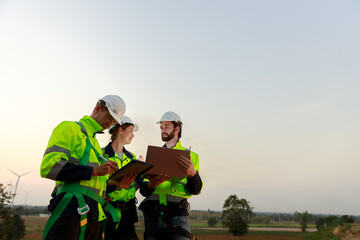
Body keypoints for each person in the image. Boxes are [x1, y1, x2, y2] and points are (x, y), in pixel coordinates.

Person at [40, 95, 126, 240]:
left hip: (95, 216)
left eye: (113, 121)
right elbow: (49, 167)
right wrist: (94, 171)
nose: (110, 123)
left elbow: (92, 185)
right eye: (109, 117)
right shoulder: (69, 128)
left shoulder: (97, 147)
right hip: (71, 213)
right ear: (97, 108)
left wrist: (115, 184)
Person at [139, 111, 203, 240]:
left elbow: (196, 189)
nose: (163, 130)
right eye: (161, 127)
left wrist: (192, 174)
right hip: (153, 216)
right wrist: (151, 184)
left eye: (166, 126)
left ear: (177, 128)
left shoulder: (191, 156)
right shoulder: (153, 156)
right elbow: (144, 191)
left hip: (177, 216)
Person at [103, 116, 144, 240]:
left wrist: (142, 173)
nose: (133, 135)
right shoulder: (100, 155)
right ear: (120, 130)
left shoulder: (132, 158)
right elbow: (96, 185)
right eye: (131, 130)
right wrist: (114, 184)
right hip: (106, 215)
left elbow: (134, 185)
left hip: (127, 217)